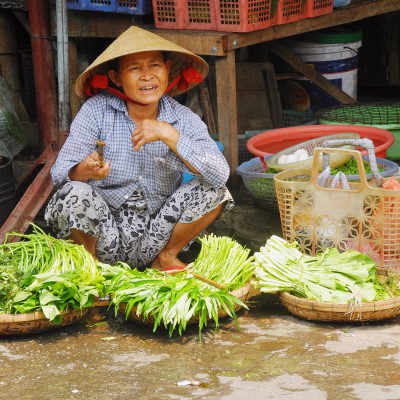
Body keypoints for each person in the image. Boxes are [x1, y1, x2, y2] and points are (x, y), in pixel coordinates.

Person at [45, 26, 234, 272]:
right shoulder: (96, 111)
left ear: (167, 69)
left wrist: (170, 135)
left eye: (155, 66)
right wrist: (84, 170)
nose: (147, 76)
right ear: (116, 78)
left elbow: (220, 174)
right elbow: (59, 175)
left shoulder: (182, 118)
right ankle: (90, 268)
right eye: (134, 68)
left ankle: (165, 259)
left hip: (157, 233)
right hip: (104, 232)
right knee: (73, 192)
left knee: (215, 190)